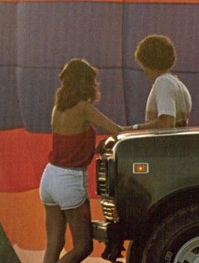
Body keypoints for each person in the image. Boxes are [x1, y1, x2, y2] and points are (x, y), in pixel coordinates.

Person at [39, 58, 123, 263]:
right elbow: (118, 130)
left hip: (49, 177)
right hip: (69, 180)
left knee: (54, 244)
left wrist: (94, 149)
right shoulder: (84, 108)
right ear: (85, 82)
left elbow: (68, 147)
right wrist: (142, 130)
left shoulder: (57, 108)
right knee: (84, 246)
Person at [131, 34, 192, 130]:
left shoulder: (163, 82)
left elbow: (166, 123)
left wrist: (133, 129)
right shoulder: (179, 85)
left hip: (162, 140)